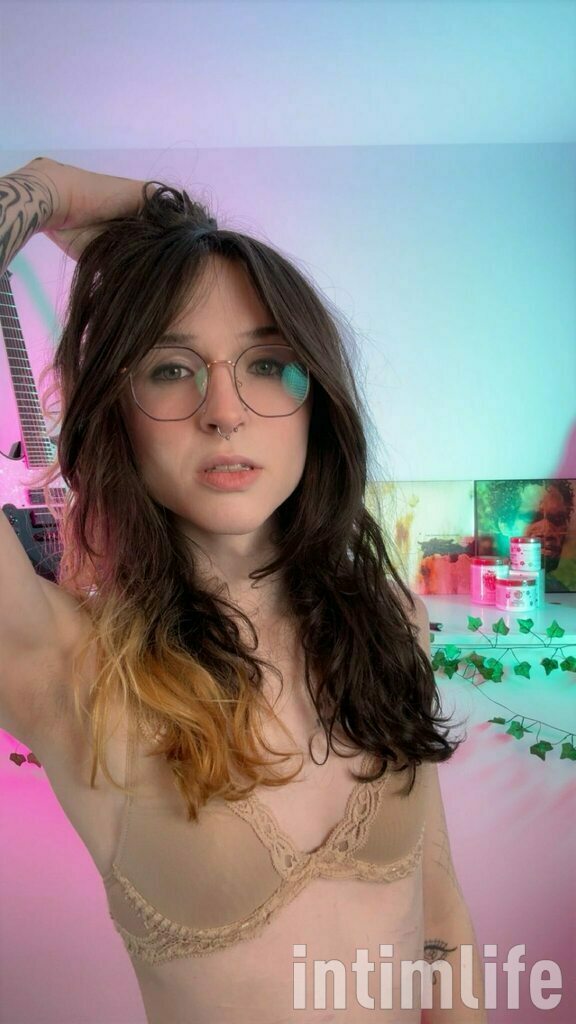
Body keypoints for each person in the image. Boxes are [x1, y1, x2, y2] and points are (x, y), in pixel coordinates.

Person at [0, 157, 487, 1023]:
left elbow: (439, 911)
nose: (224, 410)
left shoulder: (387, 620)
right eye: (170, 367)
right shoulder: (64, 663)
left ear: (316, 401)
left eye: (267, 363)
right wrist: (64, 194)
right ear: (117, 416)